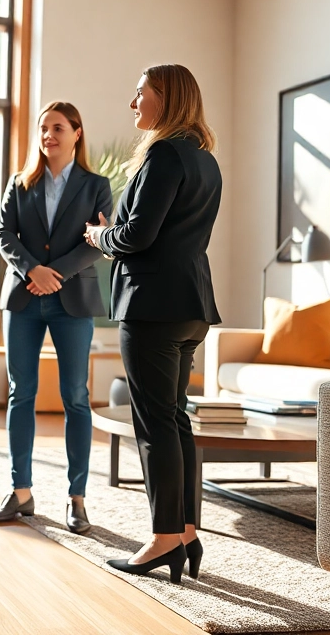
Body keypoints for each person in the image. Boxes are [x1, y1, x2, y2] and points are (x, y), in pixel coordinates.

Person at [83, 64, 221, 584]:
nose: (132, 102)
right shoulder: (206, 161)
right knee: (175, 417)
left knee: (154, 422)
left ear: (166, 98)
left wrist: (99, 238)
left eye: (140, 94)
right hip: (191, 306)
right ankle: (185, 531)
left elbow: (137, 236)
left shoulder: (163, 155)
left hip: (152, 306)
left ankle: (164, 538)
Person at [0, 101, 113, 535]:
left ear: (77, 133)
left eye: (57, 128)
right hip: (23, 298)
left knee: (75, 396)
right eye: (43, 128)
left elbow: (97, 239)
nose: (48, 135)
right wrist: (31, 271)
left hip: (71, 299)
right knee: (21, 393)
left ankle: (76, 497)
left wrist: (53, 274)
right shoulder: (20, 183)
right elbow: (3, 233)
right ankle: (20, 492)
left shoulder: (97, 184)